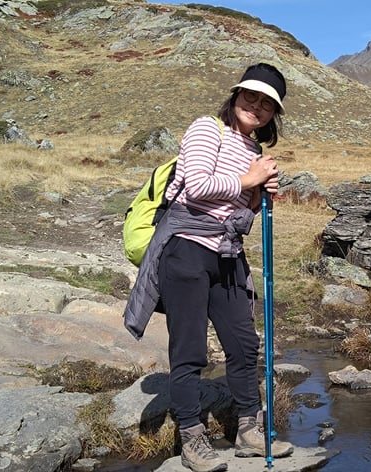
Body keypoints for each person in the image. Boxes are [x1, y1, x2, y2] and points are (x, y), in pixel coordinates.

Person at [125, 63, 294, 472]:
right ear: (236, 96)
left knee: (243, 344)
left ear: (273, 113)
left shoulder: (253, 150)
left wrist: (258, 194)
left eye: (267, 103)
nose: (256, 106)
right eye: (250, 96)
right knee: (190, 351)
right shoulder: (206, 129)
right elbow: (197, 187)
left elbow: (239, 214)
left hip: (228, 254)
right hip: (185, 250)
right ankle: (191, 439)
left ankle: (249, 430)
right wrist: (247, 179)